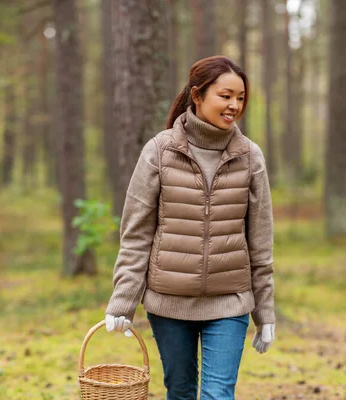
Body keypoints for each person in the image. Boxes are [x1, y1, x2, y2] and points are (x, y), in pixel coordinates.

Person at [104, 55, 275, 400]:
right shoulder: (160, 150)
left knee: (218, 394)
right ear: (197, 96)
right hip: (169, 303)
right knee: (180, 391)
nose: (234, 105)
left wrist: (265, 311)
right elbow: (136, 235)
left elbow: (260, 242)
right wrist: (123, 300)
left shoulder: (250, 156)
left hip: (230, 301)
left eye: (240, 98)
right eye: (225, 96)